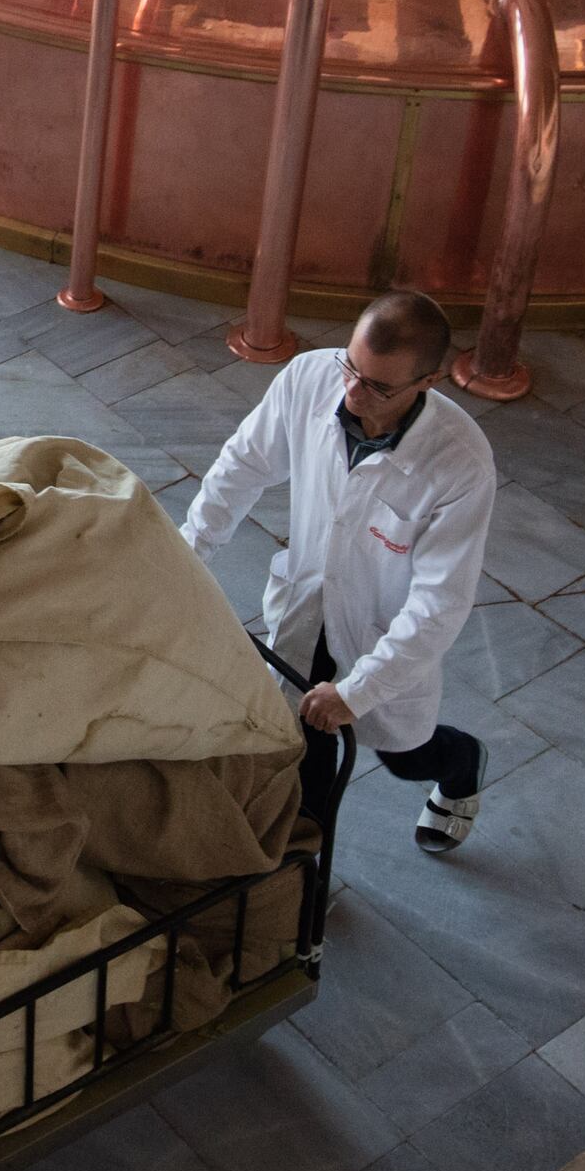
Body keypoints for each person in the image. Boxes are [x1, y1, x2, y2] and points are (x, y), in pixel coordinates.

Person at [179, 290, 498, 855]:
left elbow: (439, 603)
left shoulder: (460, 464)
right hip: (307, 603)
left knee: (404, 756)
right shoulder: (309, 378)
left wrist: (359, 691)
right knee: (306, 743)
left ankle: (461, 761)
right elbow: (242, 467)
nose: (351, 393)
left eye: (378, 386)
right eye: (351, 367)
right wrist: (188, 555)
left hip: (383, 631)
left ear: (428, 382)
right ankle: (306, 871)